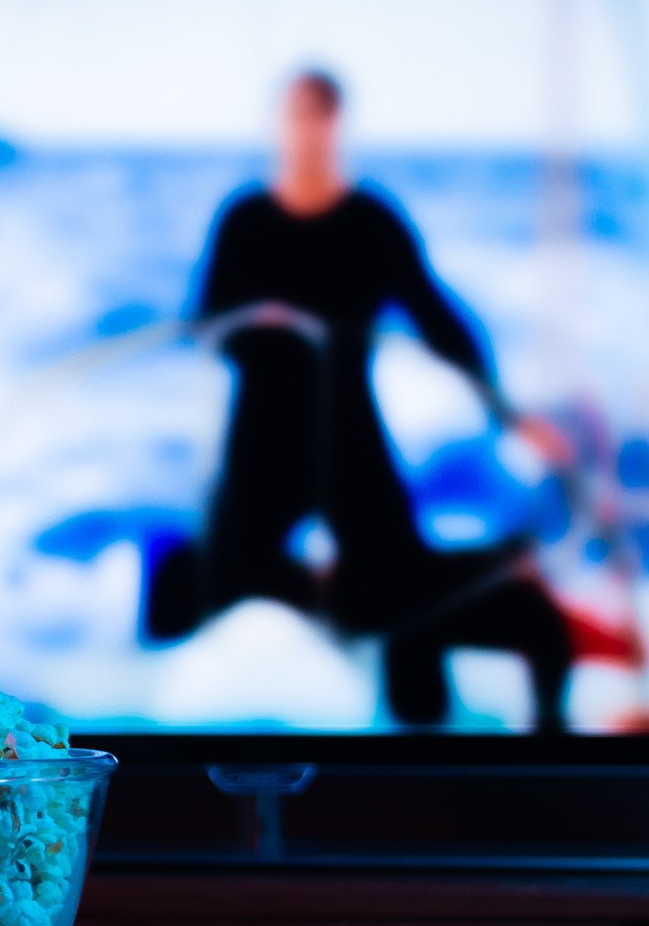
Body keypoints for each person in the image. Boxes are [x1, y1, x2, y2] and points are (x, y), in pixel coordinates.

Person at [177, 69, 580, 731]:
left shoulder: (370, 222)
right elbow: (203, 327)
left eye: (320, 119)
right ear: (280, 125)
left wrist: (506, 414)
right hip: (261, 438)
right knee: (220, 593)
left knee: (397, 596)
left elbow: (437, 319)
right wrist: (258, 322)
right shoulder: (244, 221)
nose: (307, 134)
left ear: (337, 127)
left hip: (346, 433)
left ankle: (427, 727)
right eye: (297, 118)